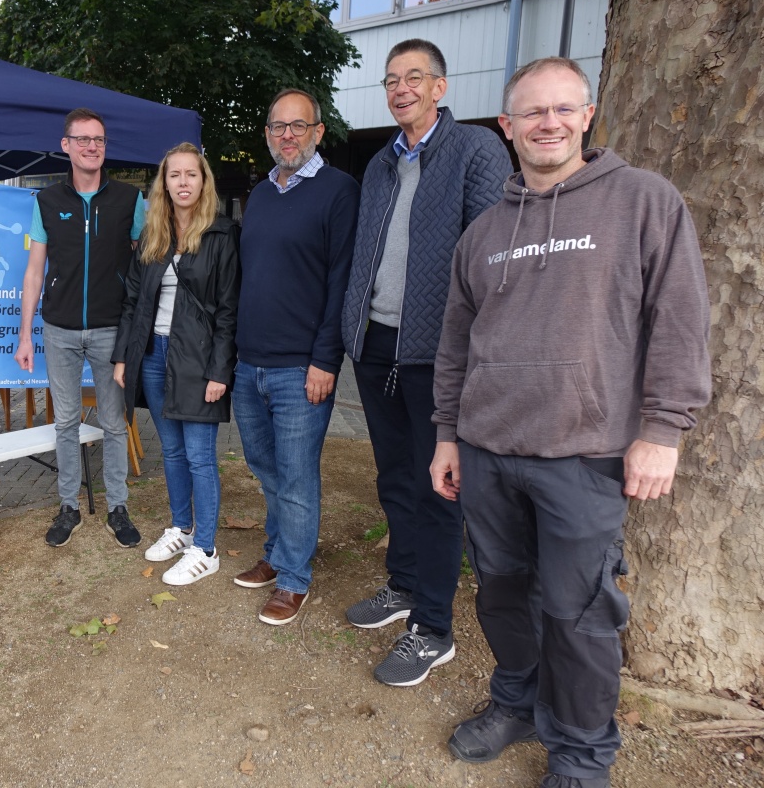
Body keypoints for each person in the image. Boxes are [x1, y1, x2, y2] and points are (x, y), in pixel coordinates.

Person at [430, 58, 710, 788]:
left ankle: (583, 754)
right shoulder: (484, 233)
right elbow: (456, 344)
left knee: (580, 615)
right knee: (500, 595)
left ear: (586, 117)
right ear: (507, 126)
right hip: (489, 454)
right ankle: (517, 704)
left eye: (563, 109)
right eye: (532, 112)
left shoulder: (644, 202)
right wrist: (446, 435)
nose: (547, 122)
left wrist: (665, 429)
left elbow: (679, 319)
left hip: (585, 457)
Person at [340, 39, 511, 687]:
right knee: (394, 479)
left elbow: (489, 261)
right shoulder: (381, 163)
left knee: (439, 488)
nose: (401, 88)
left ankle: (433, 627)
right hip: (376, 345)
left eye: (414, 77)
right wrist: (350, 327)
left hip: (438, 353)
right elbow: (365, 252)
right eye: (391, 79)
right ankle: (404, 585)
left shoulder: (475, 151)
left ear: (440, 87)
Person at [231, 88, 359, 625]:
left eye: (298, 126)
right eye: (278, 126)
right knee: (265, 468)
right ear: (267, 134)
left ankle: (294, 578)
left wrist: (326, 360)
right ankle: (279, 550)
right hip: (249, 362)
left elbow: (342, 283)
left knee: (297, 474)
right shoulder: (261, 193)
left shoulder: (338, 191)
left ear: (318, 132)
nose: (288, 135)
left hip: (301, 367)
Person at [14, 108, 146, 549]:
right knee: (66, 421)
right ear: (65, 145)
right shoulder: (46, 202)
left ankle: (117, 508)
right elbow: (34, 271)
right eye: (83, 139)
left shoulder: (130, 200)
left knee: (113, 422)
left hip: (112, 330)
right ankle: (68, 505)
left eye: (100, 140)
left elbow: (148, 260)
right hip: (60, 330)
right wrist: (24, 334)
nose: (92, 146)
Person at [112, 143, 240, 585]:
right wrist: (123, 357)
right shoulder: (153, 235)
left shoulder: (222, 236)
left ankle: (206, 548)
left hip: (198, 360)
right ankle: (182, 528)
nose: (183, 182)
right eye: (174, 175)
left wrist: (220, 370)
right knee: (171, 451)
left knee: (201, 457)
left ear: (203, 182)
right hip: (152, 356)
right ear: (162, 184)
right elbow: (132, 301)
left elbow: (228, 310)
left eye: (191, 174)